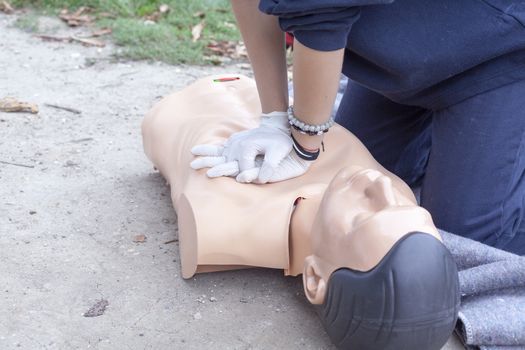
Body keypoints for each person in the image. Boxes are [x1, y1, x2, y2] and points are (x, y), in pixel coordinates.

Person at [142, 75, 460, 349]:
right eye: (408, 209)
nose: (381, 186)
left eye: (364, 216)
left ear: (314, 278)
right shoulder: (390, 187)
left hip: (189, 100)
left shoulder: (218, 217)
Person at [191, 0, 525, 255]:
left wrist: (304, 140)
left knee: (468, 239)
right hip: (404, 53)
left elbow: (322, 11)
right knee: (352, 191)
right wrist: (275, 119)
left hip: (500, 53)